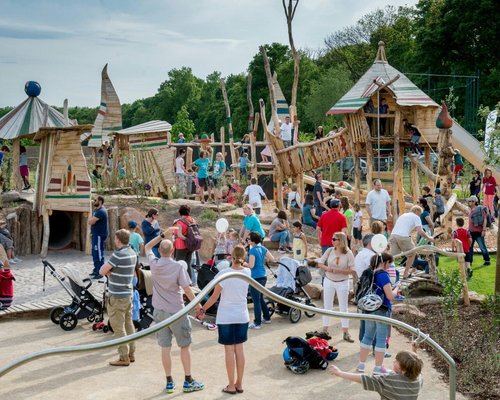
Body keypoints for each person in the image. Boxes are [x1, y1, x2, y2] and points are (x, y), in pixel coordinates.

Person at [146, 232, 204, 393]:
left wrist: (162, 235)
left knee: (165, 347)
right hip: (177, 312)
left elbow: (147, 246)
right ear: (172, 252)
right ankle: (188, 380)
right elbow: (187, 289)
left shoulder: (154, 263)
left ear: (160, 252)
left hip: (159, 311)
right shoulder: (178, 266)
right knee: (185, 346)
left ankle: (169, 382)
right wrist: (198, 306)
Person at [198, 245, 250, 394]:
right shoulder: (247, 272)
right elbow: (243, 266)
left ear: (230, 257)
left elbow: (214, 297)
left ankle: (231, 385)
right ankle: (239, 383)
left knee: (229, 350)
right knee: (239, 349)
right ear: (244, 257)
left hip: (226, 316)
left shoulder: (224, 274)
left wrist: (202, 309)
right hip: (242, 315)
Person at [99, 229, 138, 366]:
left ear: (118, 240)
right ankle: (131, 354)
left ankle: (123, 357)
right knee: (129, 324)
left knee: (118, 327)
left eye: (115, 239)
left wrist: (111, 274)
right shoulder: (133, 253)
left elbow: (102, 270)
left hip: (117, 296)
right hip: (128, 295)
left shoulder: (118, 255)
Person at [357, 253, 400, 375]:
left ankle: (361, 364)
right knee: (381, 339)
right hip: (382, 309)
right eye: (389, 264)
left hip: (369, 309)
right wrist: (397, 289)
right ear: (384, 262)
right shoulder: (383, 276)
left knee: (367, 336)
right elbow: (390, 296)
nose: (389, 267)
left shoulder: (370, 273)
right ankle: (378, 367)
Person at [329, 350, 423, 399]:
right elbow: (411, 367)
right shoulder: (418, 378)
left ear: (403, 370)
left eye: (396, 361)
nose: (394, 361)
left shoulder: (389, 381)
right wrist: (414, 350)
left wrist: (340, 373)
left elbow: (365, 378)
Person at [316, 232, 355, 342]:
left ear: (341, 241)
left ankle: (346, 332)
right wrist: (327, 268)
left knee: (343, 307)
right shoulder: (329, 251)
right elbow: (320, 263)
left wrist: (340, 271)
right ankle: (325, 330)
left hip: (342, 282)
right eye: (332, 239)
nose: (332, 240)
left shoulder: (348, 253)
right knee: (327, 306)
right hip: (329, 280)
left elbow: (353, 270)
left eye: (334, 239)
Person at [389, 205, 434, 278]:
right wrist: (430, 238)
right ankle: (406, 274)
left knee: (392, 257)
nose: (420, 216)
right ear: (417, 211)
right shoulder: (416, 217)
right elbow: (420, 231)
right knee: (412, 254)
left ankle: (388, 273)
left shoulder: (403, 215)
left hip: (393, 235)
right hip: (403, 236)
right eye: (420, 214)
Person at [244, 232, 274, 329]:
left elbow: (251, 266)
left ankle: (257, 323)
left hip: (255, 277)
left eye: (248, 239)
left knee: (256, 300)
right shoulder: (263, 248)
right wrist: (263, 260)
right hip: (263, 276)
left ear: (252, 240)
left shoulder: (252, 251)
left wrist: (244, 263)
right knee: (260, 298)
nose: (247, 240)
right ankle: (267, 318)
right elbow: (272, 259)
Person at [173, 205, 198, 281]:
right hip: (190, 246)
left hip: (181, 246)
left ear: (180, 212)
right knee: (188, 264)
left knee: (179, 264)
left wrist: (186, 239)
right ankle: (189, 282)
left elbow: (180, 235)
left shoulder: (180, 222)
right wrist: (190, 240)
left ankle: (180, 282)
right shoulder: (192, 220)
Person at [88, 195, 108, 279]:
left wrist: (90, 220)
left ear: (100, 201)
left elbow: (91, 222)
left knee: (99, 253)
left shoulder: (101, 211)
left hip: (99, 235)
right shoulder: (97, 210)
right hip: (96, 234)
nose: (93, 201)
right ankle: (96, 269)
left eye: (95, 200)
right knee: (94, 253)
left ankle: (100, 272)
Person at [466, 195, 490, 266]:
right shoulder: (471, 209)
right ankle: (470, 262)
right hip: (471, 232)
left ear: (474, 202)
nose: (468, 202)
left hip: (479, 232)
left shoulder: (480, 209)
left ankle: (487, 260)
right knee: (470, 247)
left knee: (482, 247)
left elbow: (485, 219)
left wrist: (484, 230)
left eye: (470, 201)